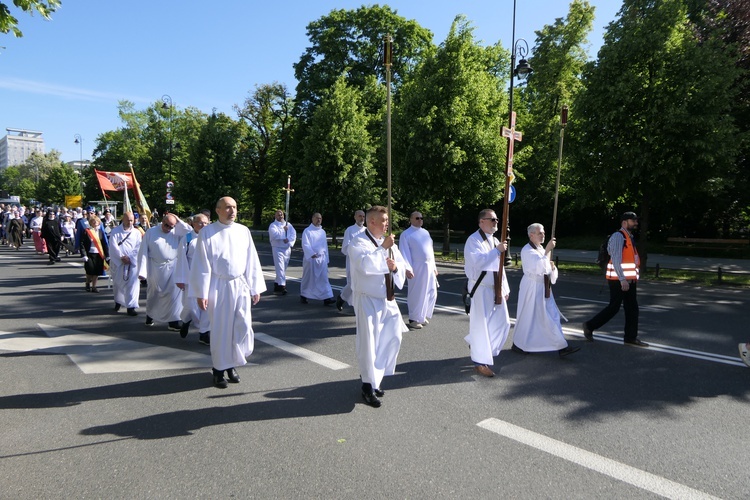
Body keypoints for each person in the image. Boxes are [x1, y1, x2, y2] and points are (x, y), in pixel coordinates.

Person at [189, 197, 266, 389]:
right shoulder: (207, 232)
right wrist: (202, 292)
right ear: (218, 210)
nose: (232, 211)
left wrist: (254, 286)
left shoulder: (243, 231)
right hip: (218, 285)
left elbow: (251, 260)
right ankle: (219, 370)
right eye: (228, 208)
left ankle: (232, 363)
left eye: (234, 207)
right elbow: (201, 264)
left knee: (242, 325)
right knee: (222, 330)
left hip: (240, 285)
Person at [349, 205, 408, 408]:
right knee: (369, 343)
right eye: (383, 221)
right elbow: (364, 265)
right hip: (368, 298)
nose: (386, 224)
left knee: (392, 338)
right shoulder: (358, 242)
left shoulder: (387, 242)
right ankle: (368, 385)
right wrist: (383, 249)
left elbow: (399, 263)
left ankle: (376, 378)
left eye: (387, 221)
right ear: (371, 221)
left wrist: (397, 267)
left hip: (387, 298)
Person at [512, 223, 580, 357]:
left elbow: (547, 268)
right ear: (531, 235)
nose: (543, 235)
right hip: (531, 288)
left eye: (543, 233)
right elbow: (537, 266)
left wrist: (552, 268)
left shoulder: (540, 249)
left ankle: (561, 346)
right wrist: (548, 251)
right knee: (528, 317)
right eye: (539, 233)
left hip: (544, 287)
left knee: (552, 316)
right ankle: (519, 344)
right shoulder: (527, 250)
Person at [582, 211, 648, 347]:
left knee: (632, 308)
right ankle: (589, 325)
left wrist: (633, 277)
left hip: (629, 280)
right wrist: (622, 279)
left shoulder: (629, 237)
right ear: (624, 222)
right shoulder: (619, 237)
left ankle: (630, 338)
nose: (636, 223)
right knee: (614, 307)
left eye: (636, 220)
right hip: (619, 280)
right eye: (633, 220)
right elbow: (616, 259)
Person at [464, 209, 510, 377]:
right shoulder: (473, 240)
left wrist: (504, 288)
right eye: (492, 219)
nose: (495, 222)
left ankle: (477, 344)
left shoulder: (495, 240)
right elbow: (478, 262)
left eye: (497, 219)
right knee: (481, 325)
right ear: (481, 222)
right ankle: (479, 362)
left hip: (495, 288)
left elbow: (500, 268)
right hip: (481, 288)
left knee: (503, 322)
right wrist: (496, 251)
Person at [137, 213, 189, 330]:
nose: (169, 229)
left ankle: (173, 321)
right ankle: (150, 315)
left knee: (174, 295)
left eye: (172, 226)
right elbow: (143, 252)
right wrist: (142, 271)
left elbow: (189, 231)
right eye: (167, 225)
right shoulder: (151, 232)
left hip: (173, 267)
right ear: (162, 221)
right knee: (154, 294)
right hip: (156, 268)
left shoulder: (177, 232)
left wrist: (178, 220)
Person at [175, 213, 211, 345]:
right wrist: (180, 278)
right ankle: (186, 320)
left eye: (206, 223)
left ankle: (204, 333)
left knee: (207, 307)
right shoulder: (188, 238)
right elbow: (181, 259)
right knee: (190, 306)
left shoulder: (211, 237)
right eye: (200, 223)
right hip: (191, 277)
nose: (203, 225)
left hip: (208, 278)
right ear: (193, 224)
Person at [399, 211, 438, 330]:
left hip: (428, 266)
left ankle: (421, 316)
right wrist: (407, 268)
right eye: (417, 218)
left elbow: (430, 251)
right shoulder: (406, 234)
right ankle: (413, 318)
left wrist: (434, 267)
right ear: (411, 219)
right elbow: (404, 252)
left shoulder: (425, 233)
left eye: (421, 218)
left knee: (430, 291)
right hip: (416, 266)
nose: (420, 220)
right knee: (417, 292)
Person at [109, 212, 142, 316]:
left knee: (133, 285)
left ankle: (131, 306)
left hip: (132, 262)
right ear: (123, 219)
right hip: (119, 262)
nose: (130, 222)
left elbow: (138, 247)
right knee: (118, 284)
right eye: (128, 220)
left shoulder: (136, 232)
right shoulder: (115, 231)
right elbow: (113, 246)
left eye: (132, 220)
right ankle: (118, 301)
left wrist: (130, 258)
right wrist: (121, 257)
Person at [300, 212, 335, 305]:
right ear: (312, 218)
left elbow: (325, 246)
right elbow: (305, 244)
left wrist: (326, 258)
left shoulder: (322, 232)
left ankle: (327, 297)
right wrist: (311, 253)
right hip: (311, 259)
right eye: (317, 218)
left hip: (322, 259)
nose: (319, 220)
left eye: (320, 218)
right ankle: (304, 295)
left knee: (324, 278)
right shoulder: (307, 231)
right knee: (308, 278)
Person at [336, 209, 366, 311]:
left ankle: (358, 307)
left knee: (362, 283)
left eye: (363, 216)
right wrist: (356, 251)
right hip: (353, 261)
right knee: (352, 283)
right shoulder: (350, 230)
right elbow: (346, 246)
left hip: (364, 261)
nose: (362, 218)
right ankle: (341, 297)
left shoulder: (367, 231)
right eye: (360, 216)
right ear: (355, 217)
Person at [268, 209, 297, 295]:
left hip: (287, 248)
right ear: (275, 216)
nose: (280, 216)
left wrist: (289, 241)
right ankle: (282, 286)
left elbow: (293, 234)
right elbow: (274, 235)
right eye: (278, 215)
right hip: (277, 248)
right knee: (280, 267)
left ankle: (277, 285)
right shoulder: (272, 225)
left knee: (283, 268)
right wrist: (283, 231)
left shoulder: (288, 225)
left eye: (281, 215)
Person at [79, 215, 109, 293]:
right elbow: (82, 243)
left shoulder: (100, 232)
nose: (95, 223)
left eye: (97, 221)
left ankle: (94, 287)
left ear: (99, 223)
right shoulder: (87, 231)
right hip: (89, 254)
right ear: (90, 223)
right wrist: (84, 255)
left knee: (97, 271)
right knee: (90, 270)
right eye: (93, 221)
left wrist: (107, 255)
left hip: (99, 254)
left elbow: (104, 244)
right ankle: (87, 283)